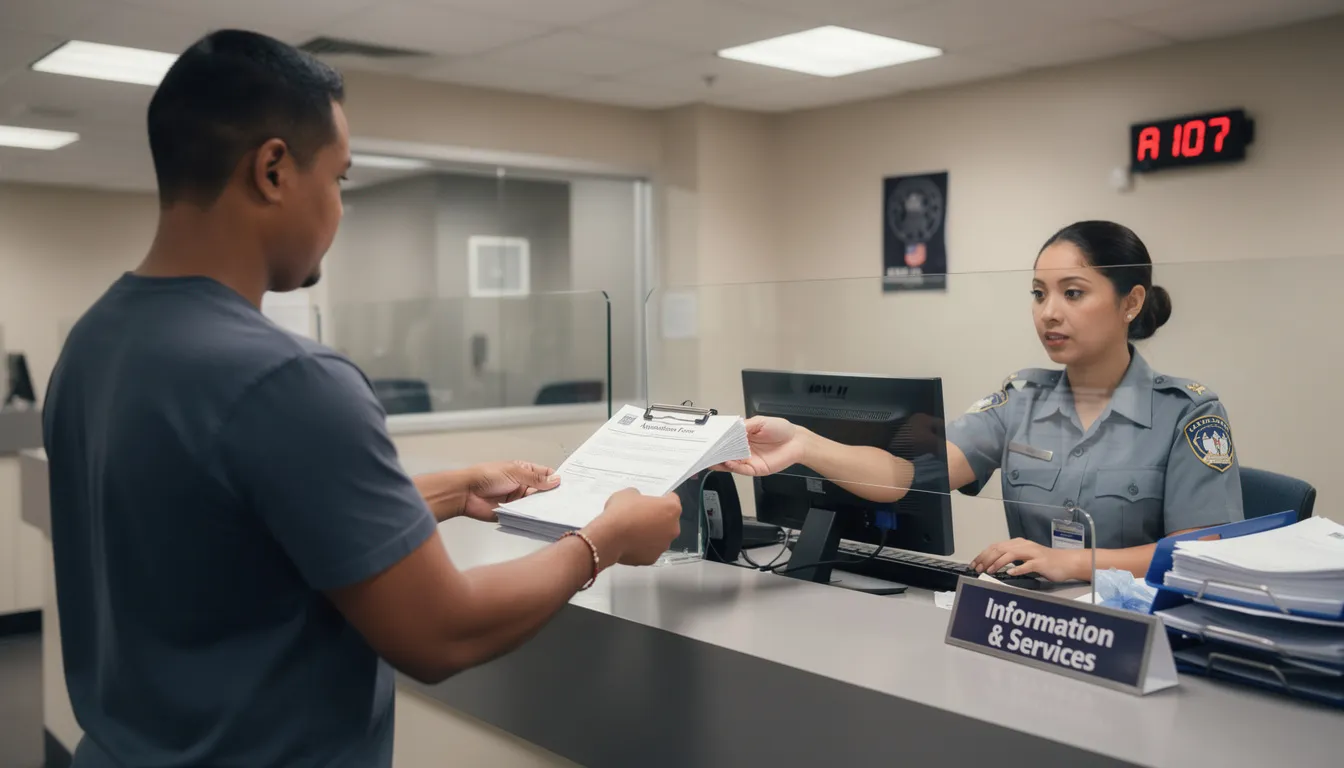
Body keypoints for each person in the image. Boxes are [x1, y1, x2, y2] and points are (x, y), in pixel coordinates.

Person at [42, 30, 682, 768]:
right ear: (273, 170)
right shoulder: (288, 380)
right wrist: (606, 539)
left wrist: (454, 489)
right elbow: (444, 631)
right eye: (338, 179)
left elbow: (229, 525)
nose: (340, 210)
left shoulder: (94, 343)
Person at [720, 220, 1243, 583]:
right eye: (1038, 293)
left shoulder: (1187, 412)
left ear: (1131, 302)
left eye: (1073, 293)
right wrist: (804, 444)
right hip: (1029, 616)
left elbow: (1200, 552)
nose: (1048, 312)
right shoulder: (1022, 399)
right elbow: (907, 475)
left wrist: (1074, 563)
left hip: (1140, 631)